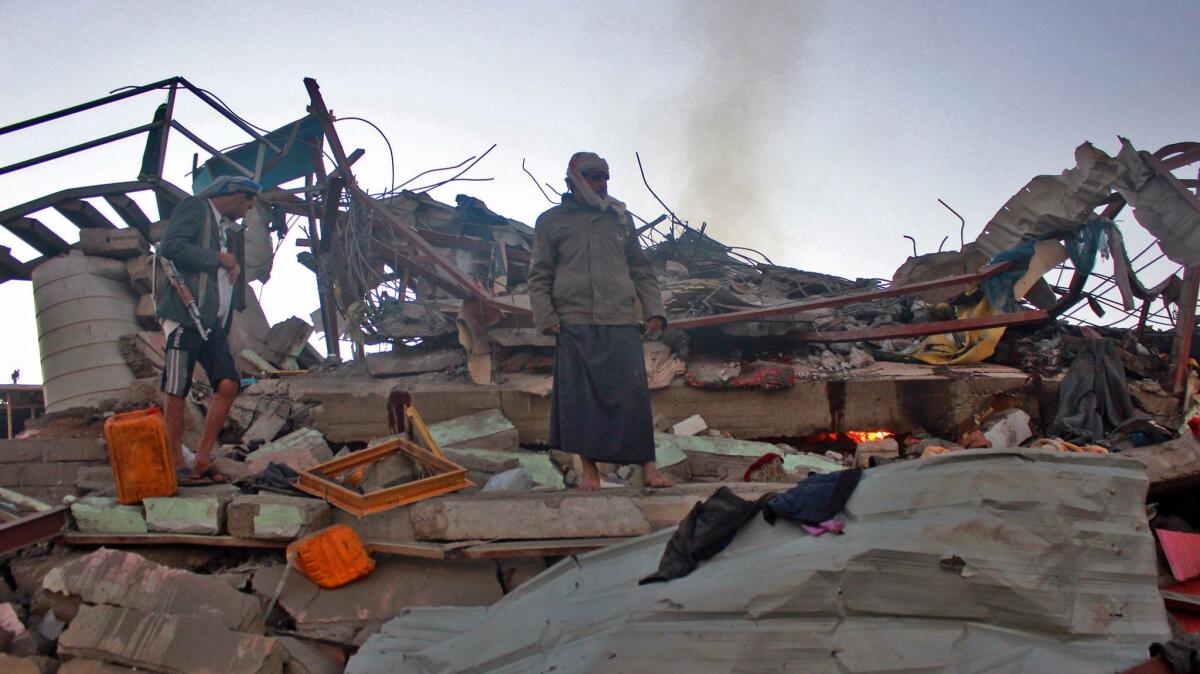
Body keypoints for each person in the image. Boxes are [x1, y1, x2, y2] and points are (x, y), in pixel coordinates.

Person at [528, 152, 672, 490]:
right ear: (574, 180)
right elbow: (540, 275)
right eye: (594, 176)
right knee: (581, 402)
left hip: (621, 319)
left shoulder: (619, 219)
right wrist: (546, 316)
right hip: (574, 321)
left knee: (633, 397)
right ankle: (590, 475)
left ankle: (649, 470)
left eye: (605, 176)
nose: (602, 183)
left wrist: (654, 309)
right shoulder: (551, 221)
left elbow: (640, 268)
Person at [156, 175, 261, 483]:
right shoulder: (195, 208)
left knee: (228, 383)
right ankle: (176, 461)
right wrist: (219, 258)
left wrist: (229, 264)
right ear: (233, 195)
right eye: (247, 203)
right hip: (185, 316)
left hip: (210, 323)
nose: (247, 210)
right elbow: (171, 247)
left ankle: (201, 459)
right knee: (176, 388)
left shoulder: (222, 229)